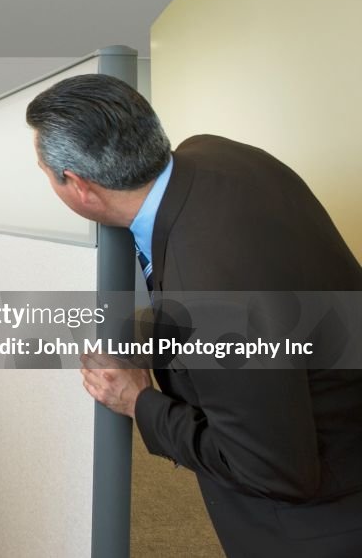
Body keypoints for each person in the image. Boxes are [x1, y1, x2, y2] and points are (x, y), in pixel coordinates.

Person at [26, 74, 362, 557]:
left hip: (319, 523)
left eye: (45, 173)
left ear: (80, 186)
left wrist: (139, 402)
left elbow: (274, 470)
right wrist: (149, 330)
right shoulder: (218, 155)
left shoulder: (211, 295)